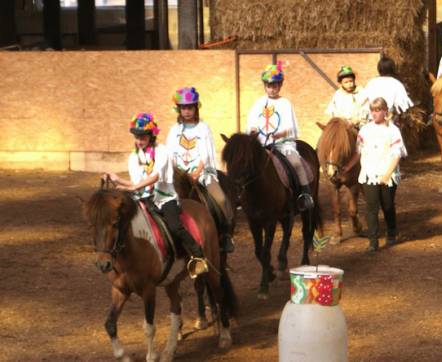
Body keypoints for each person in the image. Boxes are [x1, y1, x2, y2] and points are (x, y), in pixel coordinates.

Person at [104, 113, 208, 278]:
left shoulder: (162, 152)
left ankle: (197, 255)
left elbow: (155, 177)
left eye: (142, 138)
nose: (139, 141)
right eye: (137, 138)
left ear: (151, 137)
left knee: (175, 226)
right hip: (143, 198)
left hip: (164, 198)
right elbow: (135, 183)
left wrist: (133, 187)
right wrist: (118, 180)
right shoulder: (134, 157)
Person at [167, 86, 235, 253]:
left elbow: (206, 154)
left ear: (196, 108)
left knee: (220, 199)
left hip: (202, 173)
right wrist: (177, 174)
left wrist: (196, 173)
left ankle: (226, 235)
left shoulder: (203, 128)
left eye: (190, 107)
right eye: (184, 108)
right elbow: (169, 154)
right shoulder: (174, 130)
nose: (187, 111)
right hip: (179, 175)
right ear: (179, 109)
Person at [342, 98, 407, 252]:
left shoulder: (393, 130)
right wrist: (348, 167)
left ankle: (391, 232)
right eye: (373, 110)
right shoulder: (364, 130)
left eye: (378, 110)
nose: (375, 113)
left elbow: (397, 155)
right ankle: (373, 241)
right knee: (371, 207)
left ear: (385, 111)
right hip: (369, 174)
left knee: (388, 205)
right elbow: (359, 152)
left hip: (387, 174)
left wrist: (388, 174)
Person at [246, 61, 314, 211]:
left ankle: (305, 193)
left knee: (296, 162)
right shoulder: (258, 104)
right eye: (269, 85)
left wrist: (280, 134)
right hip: (261, 145)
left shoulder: (285, 103)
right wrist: (252, 131)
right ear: (264, 86)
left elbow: (291, 127)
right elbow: (252, 122)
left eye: (275, 85)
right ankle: (243, 195)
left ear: (280, 85)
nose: (272, 89)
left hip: (283, 145)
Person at [361, 56, 414, 126]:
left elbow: (363, 101)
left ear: (379, 69)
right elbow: (403, 106)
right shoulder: (396, 83)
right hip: (389, 121)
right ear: (393, 68)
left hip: (371, 120)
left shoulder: (372, 82)